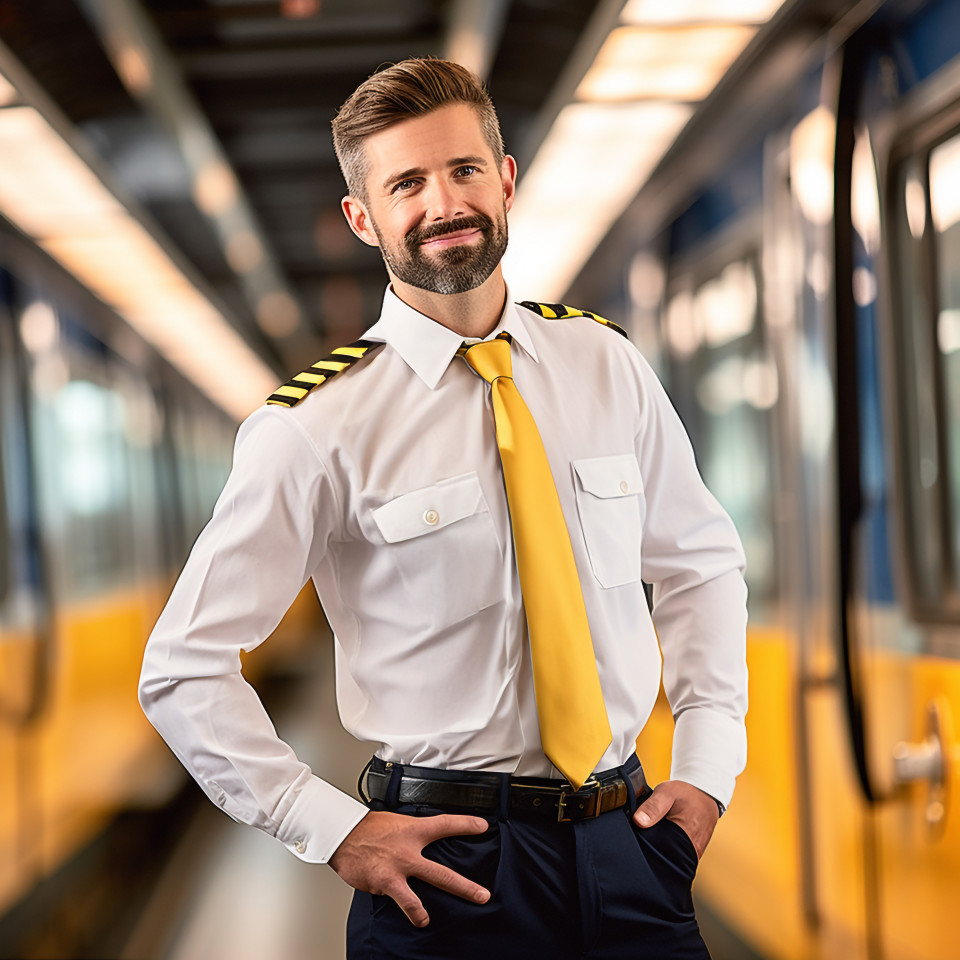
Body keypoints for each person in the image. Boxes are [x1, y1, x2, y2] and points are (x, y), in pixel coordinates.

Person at [139, 57, 748, 960]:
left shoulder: (606, 365)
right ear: (362, 217)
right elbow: (183, 666)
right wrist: (334, 828)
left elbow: (699, 566)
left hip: (632, 852)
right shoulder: (313, 427)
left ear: (504, 180)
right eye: (407, 183)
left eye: (464, 169)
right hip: (445, 877)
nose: (443, 203)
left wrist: (704, 772)